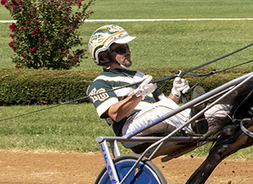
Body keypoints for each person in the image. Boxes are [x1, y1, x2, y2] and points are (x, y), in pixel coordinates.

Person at [86, 25, 226, 145]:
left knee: (220, 108)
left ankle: (237, 121)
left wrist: (175, 92)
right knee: (159, 110)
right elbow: (115, 114)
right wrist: (138, 94)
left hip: (155, 120)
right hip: (129, 129)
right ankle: (193, 123)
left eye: (127, 47)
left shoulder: (139, 76)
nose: (128, 52)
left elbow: (168, 105)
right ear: (104, 56)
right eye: (121, 49)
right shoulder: (99, 83)